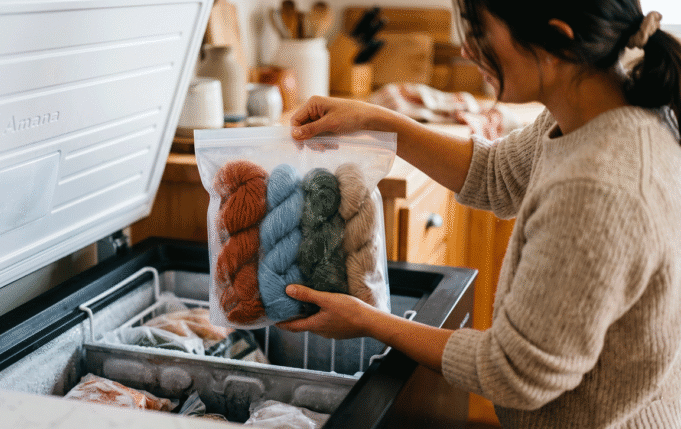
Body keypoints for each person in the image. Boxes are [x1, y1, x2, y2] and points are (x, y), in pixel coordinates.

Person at [276, 0, 681, 427]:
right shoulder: (602, 103)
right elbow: (497, 175)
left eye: (481, 32)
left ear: (557, 39)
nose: (467, 50)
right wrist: (375, 120)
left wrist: (370, 321)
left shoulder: (596, 189)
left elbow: (514, 371)